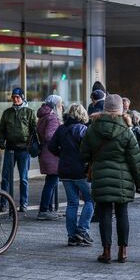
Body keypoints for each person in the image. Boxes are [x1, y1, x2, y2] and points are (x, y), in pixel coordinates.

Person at [81, 94, 140, 264]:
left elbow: (84, 154)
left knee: (105, 214)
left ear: (105, 108)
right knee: (122, 213)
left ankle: (106, 252)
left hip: (101, 177)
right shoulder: (127, 131)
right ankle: (123, 251)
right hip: (123, 180)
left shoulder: (93, 129)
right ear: (121, 110)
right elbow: (135, 160)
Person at [48, 103, 93, 246]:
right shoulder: (82, 129)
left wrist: (62, 155)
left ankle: (72, 236)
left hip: (65, 170)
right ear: (82, 115)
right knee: (90, 200)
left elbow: (51, 146)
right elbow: (89, 150)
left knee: (72, 203)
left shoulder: (61, 129)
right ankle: (82, 230)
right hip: (80, 170)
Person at [0, 87, 37, 212]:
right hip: (10, 148)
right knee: (5, 178)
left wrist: (31, 143)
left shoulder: (29, 112)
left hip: (24, 149)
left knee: (23, 178)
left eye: (17, 97)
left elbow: (34, 129)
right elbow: (2, 129)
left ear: (22, 97)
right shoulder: (7, 112)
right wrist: (1, 141)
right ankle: (3, 203)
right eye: (13, 97)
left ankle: (23, 203)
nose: (15, 99)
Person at [36, 95, 62, 220]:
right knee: (51, 183)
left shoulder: (43, 116)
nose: (61, 106)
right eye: (60, 104)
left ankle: (48, 209)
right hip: (51, 154)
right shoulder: (52, 117)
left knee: (50, 182)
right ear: (55, 105)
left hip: (46, 153)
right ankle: (44, 210)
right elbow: (50, 136)